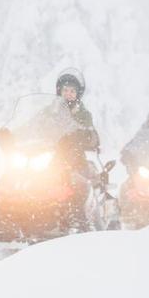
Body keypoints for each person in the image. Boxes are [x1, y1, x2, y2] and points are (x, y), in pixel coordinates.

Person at [53, 68, 100, 230]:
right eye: (65, 90)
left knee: (78, 185)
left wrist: (86, 136)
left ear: (77, 93)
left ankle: (80, 222)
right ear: (59, 91)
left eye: (72, 91)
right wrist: (12, 135)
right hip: (51, 159)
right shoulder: (50, 111)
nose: (68, 93)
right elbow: (35, 124)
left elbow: (91, 133)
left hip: (73, 159)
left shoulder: (82, 113)